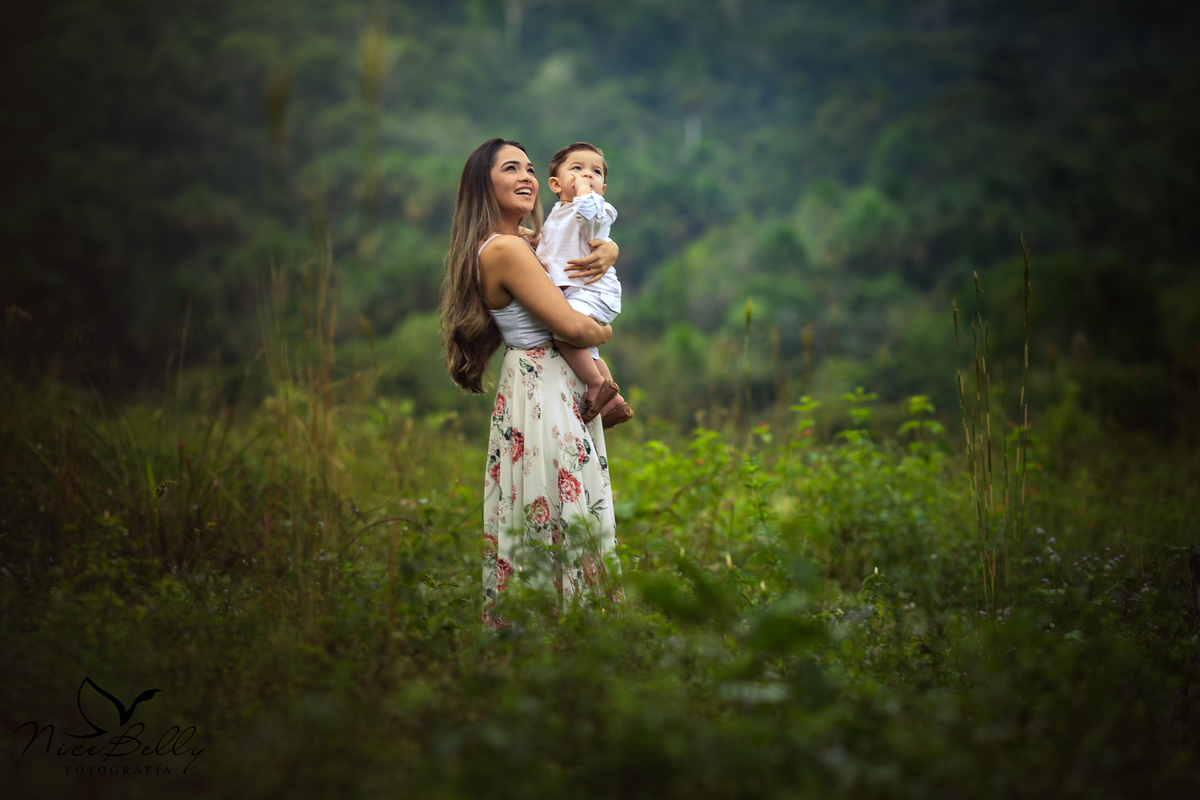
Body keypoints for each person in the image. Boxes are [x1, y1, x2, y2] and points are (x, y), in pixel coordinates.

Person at [439, 138, 622, 628]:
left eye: (530, 169)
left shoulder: (531, 240)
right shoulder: (504, 250)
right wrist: (603, 329)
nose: (526, 177)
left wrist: (610, 249)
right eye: (509, 169)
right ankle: (557, 632)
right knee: (555, 508)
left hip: (550, 382)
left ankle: (566, 633)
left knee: (561, 505)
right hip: (543, 386)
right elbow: (575, 327)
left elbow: (586, 238)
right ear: (484, 185)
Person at [536, 142, 633, 428]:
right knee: (588, 352)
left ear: (603, 188)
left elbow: (589, 220)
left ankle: (595, 386)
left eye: (595, 172)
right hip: (578, 292)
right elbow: (549, 248)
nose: (587, 176)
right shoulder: (558, 214)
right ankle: (613, 402)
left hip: (594, 290)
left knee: (562, 331)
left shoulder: (597, 208)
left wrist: (582, 192)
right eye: (577, 169)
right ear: (555, 183)